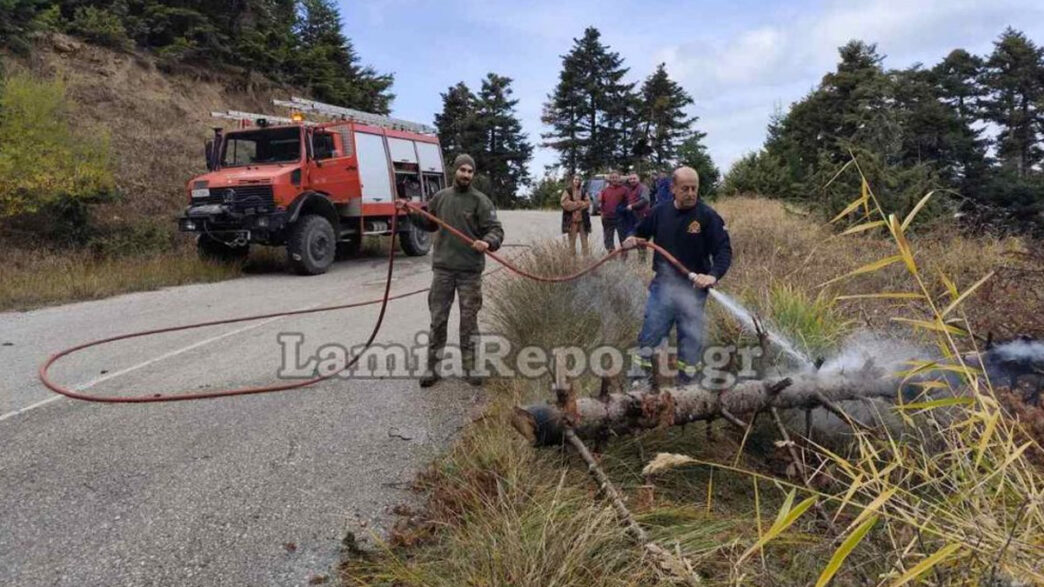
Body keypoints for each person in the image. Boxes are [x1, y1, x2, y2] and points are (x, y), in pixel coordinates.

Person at [401, 154, 504, 388]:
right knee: (438, 320)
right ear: (455, 171)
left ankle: (470, 368)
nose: (466, 175)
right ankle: (433, 368)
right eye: (462, 170)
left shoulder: (481, 201)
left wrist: (487, 242)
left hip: (470, 272)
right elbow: (429, 222)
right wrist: (410, 212)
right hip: (443, 271)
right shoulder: (441, 198)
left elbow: (496, 230)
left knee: (469, 322)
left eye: (470, 171)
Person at [623, 166, 732, 385]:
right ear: (673, 188)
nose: (691, 193)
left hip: (694, 291)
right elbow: (639, 231)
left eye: (694, 188)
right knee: (650, 334)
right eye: (685, 188)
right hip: (663, 287)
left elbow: (723, 251)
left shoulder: (707, 217)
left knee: (690, 342)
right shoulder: (659, 212)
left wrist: (712, 276)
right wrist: (631, 238)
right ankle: (639, 383)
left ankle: (687, 389)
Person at [596, 171, 630, 253]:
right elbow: (601, 203)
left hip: (620, 218)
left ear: (619, 178)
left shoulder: (625, 190)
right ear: (610, 179)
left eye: (616, 177)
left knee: (623, 238)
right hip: (607, 218)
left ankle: (624, 257)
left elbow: (628, 203)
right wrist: (602, 214)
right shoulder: (605, 190)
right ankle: (611, 256)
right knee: (608, 239)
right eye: (612, 177)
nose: (614, 179)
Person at [559, 174, 591, 256]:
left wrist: (579, 204)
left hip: (583, 220)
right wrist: (578, 204)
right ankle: (572, 261)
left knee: (584, 242)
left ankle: (586, 259)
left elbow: (588, 203)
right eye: (575, 179)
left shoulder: (584, 191)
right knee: (572, 242)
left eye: (579, 179)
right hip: (572, 220)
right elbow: (564, 203)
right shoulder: (568, 191)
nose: (577, 181)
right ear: (572, 180)